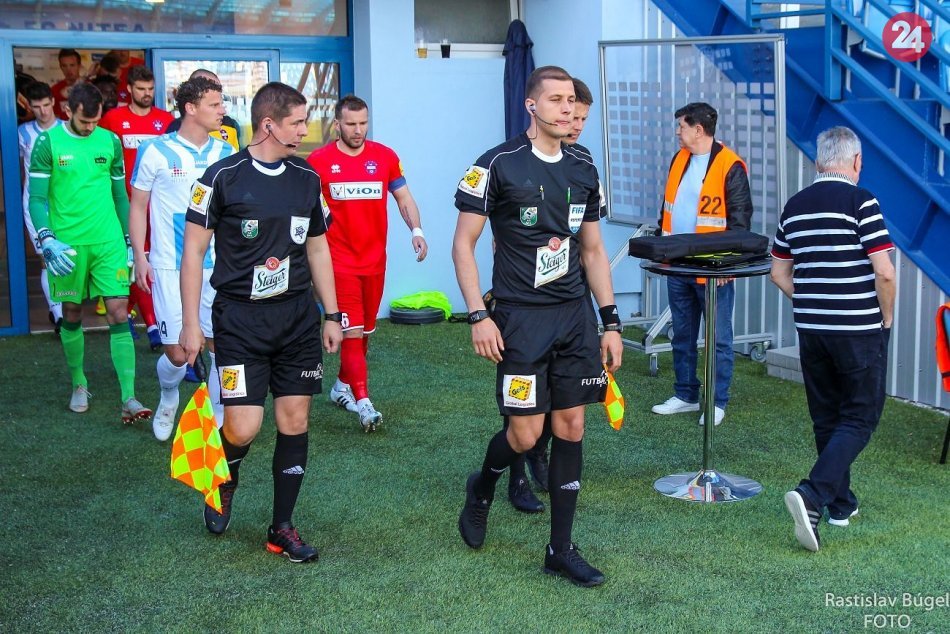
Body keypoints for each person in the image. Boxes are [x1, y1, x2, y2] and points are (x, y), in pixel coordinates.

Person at [453, 66, 623, 587]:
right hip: (519, 320)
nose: (567, 109)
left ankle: (560, 548)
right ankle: (482, 486)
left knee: (571, 425)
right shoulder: (495, 165)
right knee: (525, 435)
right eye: (555, 100)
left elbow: (592, 249)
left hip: (573, 317)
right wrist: (479, 315)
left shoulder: (582, 163)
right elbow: (464, 245)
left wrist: (609, 321)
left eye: (572, 100)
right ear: (532, 106)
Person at [180, 81, 342, 563]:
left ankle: (282, 528)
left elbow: (317, 248)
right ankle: (223, 478)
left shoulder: (306, 177)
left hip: (295, 320)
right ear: (268, 124)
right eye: (297, 122)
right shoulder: (220, 177)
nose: (304, 130)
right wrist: (191, 324)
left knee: (295, 420)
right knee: (244, 427)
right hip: (239, 322)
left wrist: (332, 313)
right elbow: (192, 253)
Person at [770, 126, 895, 552]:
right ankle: (812, 495)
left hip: (812, 329)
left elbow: (778, 273)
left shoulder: (795, 206)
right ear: (856, 161)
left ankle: (841, 504)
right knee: (861, 416)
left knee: (827, 417)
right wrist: (887, 317)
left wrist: (809, 299)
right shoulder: (862, 202)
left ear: (820, 160)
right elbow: (885, 271)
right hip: (858, 330)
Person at [502, 76, 604, 512]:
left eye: (581, 115)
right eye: (567, 110)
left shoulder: (582, 164)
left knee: (567, 406)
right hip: (525, 306)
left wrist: (606, 314)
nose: (574, 121)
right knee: (523, 410)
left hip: (572, 300)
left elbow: (589, 240)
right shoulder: (511, 163)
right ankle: (514, 476)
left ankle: (542, 460)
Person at [28, 82, 151, 423]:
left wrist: (129, 241)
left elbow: (121, 196)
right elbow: (36, 199)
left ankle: (128, 395)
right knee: (71, 313)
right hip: (67, 246)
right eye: (85, 122)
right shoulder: (46, 143)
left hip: (108, 243)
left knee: (117, 311)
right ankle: (79, 383)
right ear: (68, 111)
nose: (90, 127)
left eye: (95, 121)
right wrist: (47, 238)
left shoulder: (109, 141)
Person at [306, 94, 428, 432]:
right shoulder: (318, 162)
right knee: (352, 333)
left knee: (364, 335)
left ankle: (341, 386)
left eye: (363, 123)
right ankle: (364, 402)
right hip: (337, 263)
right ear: (337, 124)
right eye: (351, 124)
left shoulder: (385, 157)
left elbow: (404, 197)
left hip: (374, 262)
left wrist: (416, 230)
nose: (358, 130)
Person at [129, 76, 234, 441]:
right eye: (215, 104)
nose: (223, 110)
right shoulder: (155, 151)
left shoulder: (226, 154)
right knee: (178, 352)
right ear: (191, 108)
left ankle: (218, 418)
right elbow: (138, 205)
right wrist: (139, 256)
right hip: (169, 265)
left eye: (222, 104)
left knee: (222, 343)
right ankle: (169, 393)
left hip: (218, 268)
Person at [650, 102, 752, 427]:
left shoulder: (730, 165)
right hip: (677, 265)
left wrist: (725, 266)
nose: (678, 131)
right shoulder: (679, 159)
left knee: (719, 338)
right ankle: (685, 394)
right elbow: (667, 207)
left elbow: (740, 224)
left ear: (698, 129)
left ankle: (717, 401)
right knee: (682, 333)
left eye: (681, 126)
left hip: (712, 271)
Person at [101, 65, 175, 351]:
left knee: (151, 257)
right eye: (141, 89)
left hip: (159, 204)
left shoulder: (165, 119)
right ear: (129, 89)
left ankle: (144, 317)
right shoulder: (113, 119)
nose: (146, 94)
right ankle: (149, 321)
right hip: (126, 204)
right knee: (132, 258)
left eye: (150, 88)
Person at [18, 81, 64, 333]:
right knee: (47, 259)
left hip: (64, 206)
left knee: (66, 257)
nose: (43, 111)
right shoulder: (23, 133)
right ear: (30, 107)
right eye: (37, 107)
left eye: (46, 105)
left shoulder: (67, 130)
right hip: (34, 206)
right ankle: (58, 315)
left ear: (53, 102)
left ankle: (65, 309)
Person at [166, 69, 241, 151]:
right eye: (207, 86)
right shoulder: (174, 129)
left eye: (218, 87)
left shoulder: (230, 125)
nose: (223, 111)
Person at [51, 49, 83, 120]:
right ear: (60, 67)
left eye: (72, 65)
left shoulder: (90, 87)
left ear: (79, 66)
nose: (68, 69)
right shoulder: (55, 90)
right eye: (64, 66)